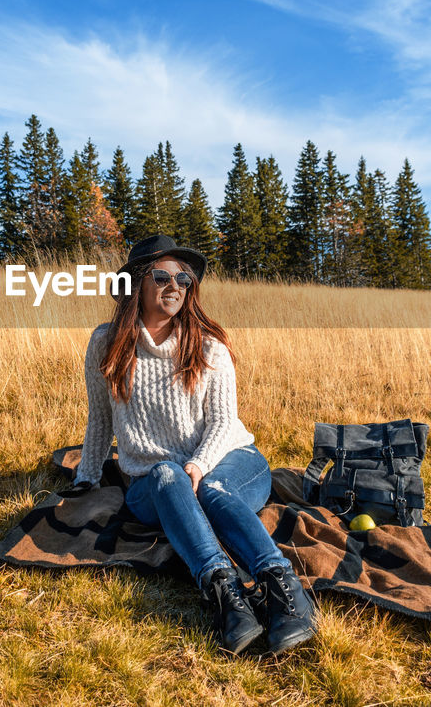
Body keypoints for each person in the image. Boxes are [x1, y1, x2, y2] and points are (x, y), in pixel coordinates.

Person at [72, 234, 318, 655]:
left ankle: (284, 588)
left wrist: (201, 464)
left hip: (230, 459)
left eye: (184, 279)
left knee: (211, 488)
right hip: (155, 483)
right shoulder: (106, 343)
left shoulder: (208, 345)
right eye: (162, 275)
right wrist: (87, 476)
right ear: (135, 285)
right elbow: (101, 419)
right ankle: (225, 595)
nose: (175, 286)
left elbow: (225, 423)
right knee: (168, 473)